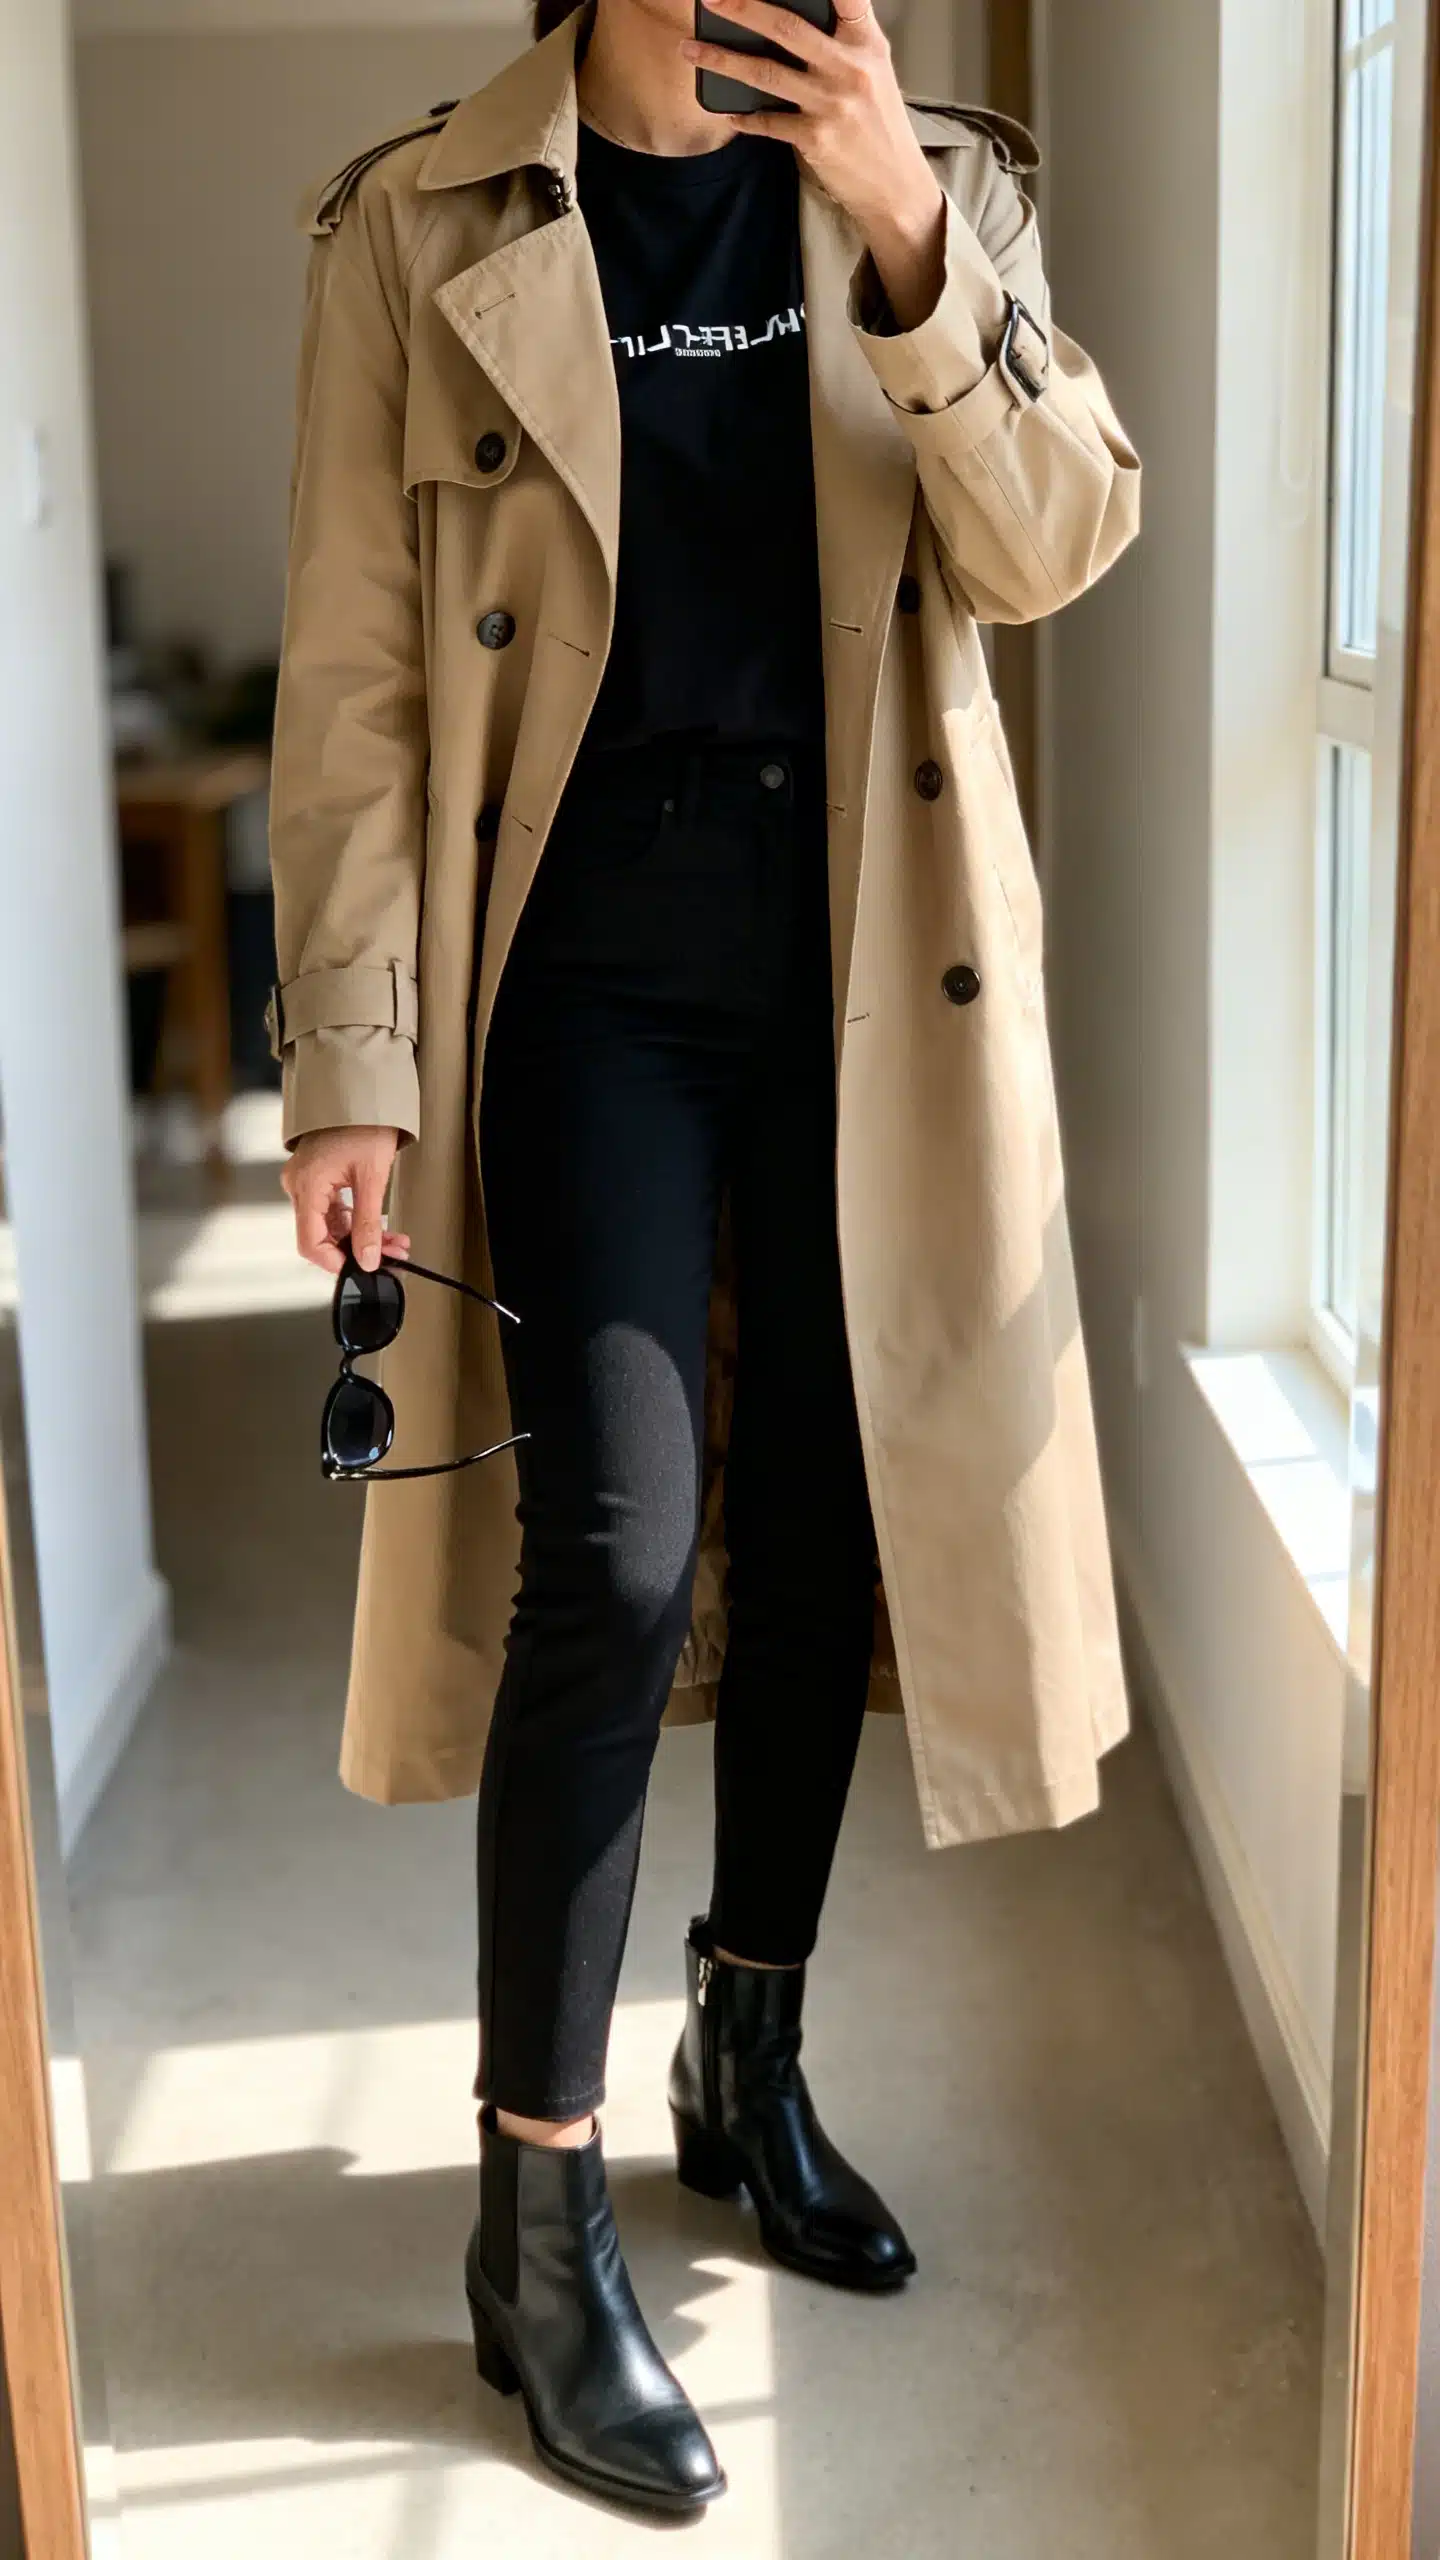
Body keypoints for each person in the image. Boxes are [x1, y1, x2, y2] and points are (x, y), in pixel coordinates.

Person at [269, 0, 1139, 2516]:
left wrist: (900, 236)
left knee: (833, 1532)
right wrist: (355, 1062)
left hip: (872, 954)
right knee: (620, 1562)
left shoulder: (936, 178)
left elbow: (1059, 542)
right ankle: (530, 2228)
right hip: (581, 968)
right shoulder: (411, 220)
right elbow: (349, 674)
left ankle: (741, 2060)